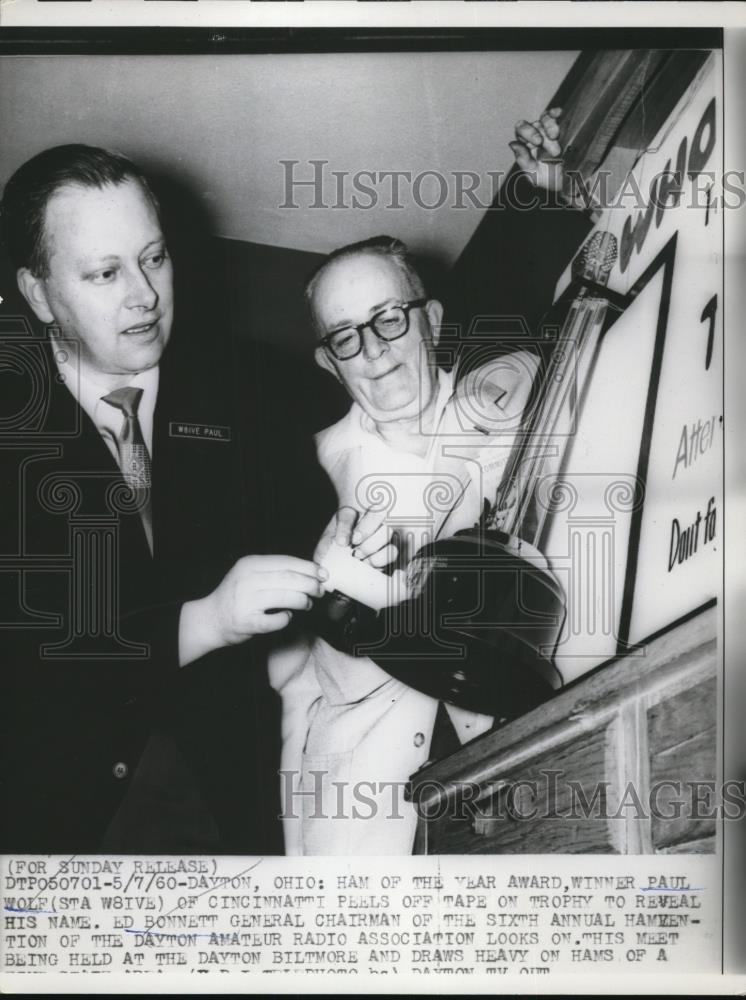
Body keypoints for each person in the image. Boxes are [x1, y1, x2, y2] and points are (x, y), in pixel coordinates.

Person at [268, 108, 581, 855]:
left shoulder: (506, 401)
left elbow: (526, 287)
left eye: (390, 321)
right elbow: (289, 673)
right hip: (364, 809)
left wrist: (540, 193)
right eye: (346, 336)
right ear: (329, 362)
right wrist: (344, 596)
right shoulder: (302, 475)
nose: (373, 352)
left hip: (522, 762)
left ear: (431, 322)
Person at [0, 144, 327, 853]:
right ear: (36, 293)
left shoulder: (248, 386)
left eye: (154, 258)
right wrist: (207, 621)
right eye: (105, 273)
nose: (144, 296)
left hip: (240, 810)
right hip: (60, 827)